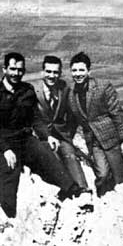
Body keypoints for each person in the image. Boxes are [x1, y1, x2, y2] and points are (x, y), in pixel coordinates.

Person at [0, 52, 82, 218]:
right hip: (4, 143)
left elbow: (35, 118)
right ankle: (8, 216)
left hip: (25, 140)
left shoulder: (27, 91)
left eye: (20, 70)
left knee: (48, 158)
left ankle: (72, 191)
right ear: (4, 69)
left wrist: (47, 135)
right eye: (12, 69)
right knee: (9, 175)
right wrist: (5, 150)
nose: (16, 73)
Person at [68, 52, 123, 196]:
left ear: (88, 71)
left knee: (120, 178)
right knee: (102, 175)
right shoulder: (71, 94)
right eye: (74, 70)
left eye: (81, 70)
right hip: (93, 142)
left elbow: (117, 114)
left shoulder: (103, 87)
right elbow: (72, 121)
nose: (78, 74)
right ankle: (103, 200)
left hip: (112, 138)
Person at [34, 55, 89, 192]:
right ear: (42, 72)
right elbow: (32, 117)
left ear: (60, 73)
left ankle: (82, 189)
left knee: (69, 153)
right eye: (48, 72)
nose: (51, 76)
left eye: (55, 72)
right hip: (40, 135)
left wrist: (68, 134)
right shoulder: (33, 90)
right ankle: (66, 189)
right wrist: (45, 135)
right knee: (53, 157)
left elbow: (72, 115)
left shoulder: (64, 89)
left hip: (60, 134)